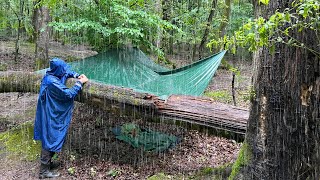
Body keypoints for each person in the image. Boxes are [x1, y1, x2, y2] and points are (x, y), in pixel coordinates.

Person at [34, 58, 88, 179]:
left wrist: (76, 75)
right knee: (49, 137)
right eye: (62, 68)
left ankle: (47, 164)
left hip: (50, 109)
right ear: (57, 69)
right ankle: (43, 172)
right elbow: (68, 94)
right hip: (49, 112)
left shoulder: (52, 72)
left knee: (52, 135)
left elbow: (66, 72)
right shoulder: (52, 81)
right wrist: (80, 83)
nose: (64, 70)